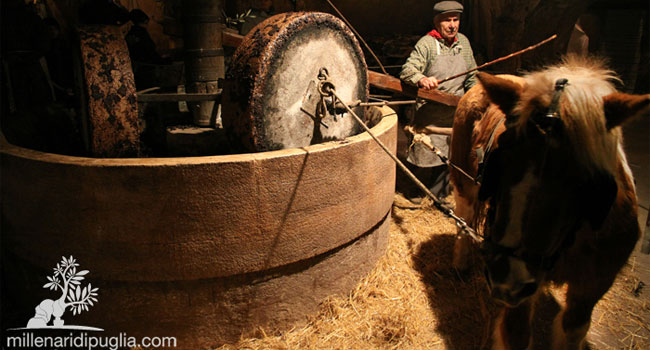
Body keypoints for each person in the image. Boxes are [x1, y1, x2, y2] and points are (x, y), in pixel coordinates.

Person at [399, 0, 477, 204]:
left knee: (447, 155)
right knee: (423, 152)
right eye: (447, 21)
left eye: (456, 20)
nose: (452, 25)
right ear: (437, 22)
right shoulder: (427, 44)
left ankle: (438, 194)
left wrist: (476, 97)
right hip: (430, 112)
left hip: (454, 112)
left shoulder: (464, 43)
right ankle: (414, 190)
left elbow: (472, 76)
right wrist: (421, 79)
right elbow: (407, 70)